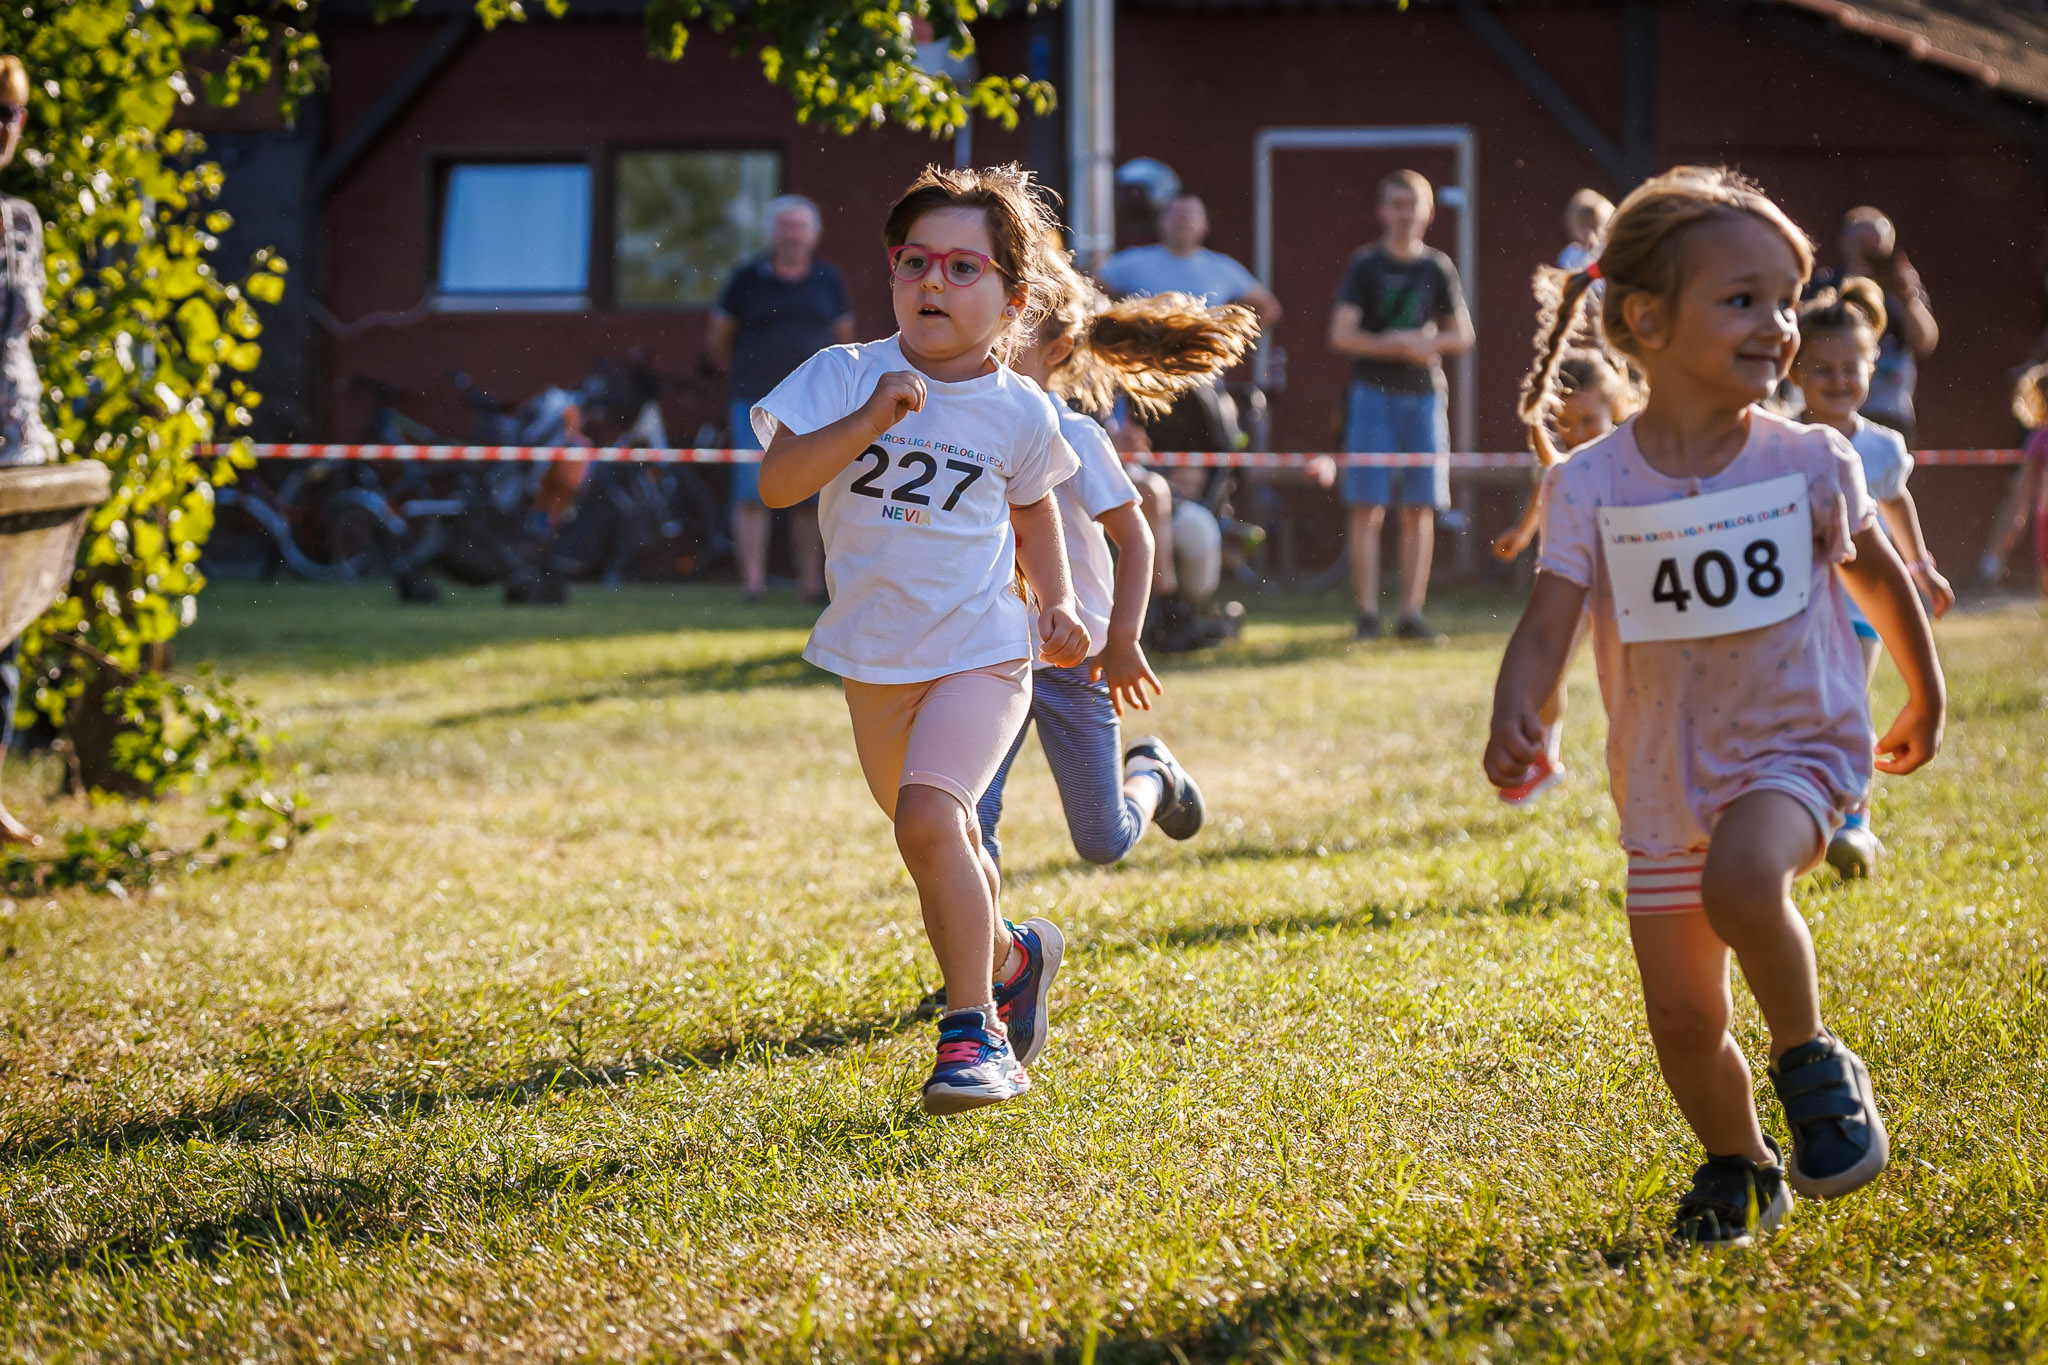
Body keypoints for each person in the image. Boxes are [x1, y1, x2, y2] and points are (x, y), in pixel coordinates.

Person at [1485, 166, 1945, 1247]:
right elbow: (1550, 618)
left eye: (1786, 299)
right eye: (1743, 300)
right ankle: (1738, 1167)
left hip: (1797, 745)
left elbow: (1878, 580)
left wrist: (1923, 690)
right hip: (1662, 776)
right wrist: (1520, 709)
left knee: (1745, 878)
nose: (1778, 327)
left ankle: (1810, 1060)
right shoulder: (1591, 483)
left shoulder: (1809, 460)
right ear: (1644, 319)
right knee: (1682, 1018)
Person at [752, 164, 1087, 1116]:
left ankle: (973, 1034)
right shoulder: (843, 375)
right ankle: (1021, 955)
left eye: (962, 266)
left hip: (983, 649)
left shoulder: (1022, 410)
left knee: (932, 820)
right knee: (943, 850)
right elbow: (779, 485)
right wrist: (867, 420)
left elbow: (1035, 515)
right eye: (914, 262)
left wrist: (1056, 600)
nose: (932, 283)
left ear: (1013, 299)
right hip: (873, 657)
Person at [976, 243, 1261, 870]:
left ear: (1054, 351)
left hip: (1078, 658)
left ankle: (1152, 774)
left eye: (1008, 334)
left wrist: (1126, 638)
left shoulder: (1076, 435)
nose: (990, 345)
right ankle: (989, 963)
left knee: (1101, 840)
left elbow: (1137, 539)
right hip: (986, 659)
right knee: (973, 823)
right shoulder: (964, 433)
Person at [1790, 279, 1955, 878]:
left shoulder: (1882, 447)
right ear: (1794, 369)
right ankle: (1797, 812)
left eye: (1849, 367)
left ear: (1873, 366)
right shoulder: (1779, 440)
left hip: (1863, 604)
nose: (1837, 381)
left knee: (1847, 703)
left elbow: (1895, 505)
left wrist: (1922, 568)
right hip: (1796, 600)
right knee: (1796, 706)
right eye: (1820, 369)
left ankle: (1854, 826)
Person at [1328, 169, 1475, 642]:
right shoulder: (1365, 265)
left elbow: (1462, 335)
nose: (1404, 213)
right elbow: (1341, 334)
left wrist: (1419, 342)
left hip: (1425, 396)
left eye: (1412, 204)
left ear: (1429, 212)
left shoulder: (1438, 267)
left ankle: (1411, 615)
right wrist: (1400, 344)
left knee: (1420, 508)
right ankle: (1367, 616)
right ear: (1382, 210)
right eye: (1395, 203)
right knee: (1366, 506)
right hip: (1371, 396)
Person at [1488, 348, 1638, 803]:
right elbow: (1549, 479)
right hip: (1572, 590)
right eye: (1565, 425)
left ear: (1613, 408)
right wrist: (1522, 532)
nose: (1578, 434)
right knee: (1548, 673)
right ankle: (1545, 759)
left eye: (1590, 420)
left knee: (1634, 683)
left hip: (1625, 590)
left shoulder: (1630, 455)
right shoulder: (1570, 468)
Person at [707, 195, 854, 601]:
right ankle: (753, 584)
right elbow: (719, 338)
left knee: (810, 495)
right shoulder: (747, 278)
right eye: (785, 226)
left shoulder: (829, 279)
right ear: (772, 233)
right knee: (750, 492)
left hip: (816, 404)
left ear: (814, 234)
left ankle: (811, 585)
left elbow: (846, 338)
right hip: (753, 399)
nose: (791, 234)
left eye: (799, 226)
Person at [0, 55, 51, 847]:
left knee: (2, 633)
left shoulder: (20, 222)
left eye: (5, 113)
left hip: (16, 448)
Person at [1808, 207, 1937, 444]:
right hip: (1835, 402)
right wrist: (1851, 286)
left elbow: (1925, 341)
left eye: (1876, 246)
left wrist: (1908, 295)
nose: (1870, 252)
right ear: (1844, 244)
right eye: (1862, 244)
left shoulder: (1901, 291)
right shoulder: (1827, 286)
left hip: (1890, 410)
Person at [1975, 361, 2048, 593]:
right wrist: (2016, 520)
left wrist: (2017, 520)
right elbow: (2024, 490)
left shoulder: (2038, 439)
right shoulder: (2039, 439)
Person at [1557, 188, 1614, 273]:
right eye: (1582, 228)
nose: (1588, 234)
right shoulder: (1571, 256)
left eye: (1593, 227)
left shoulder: (1612, 251)